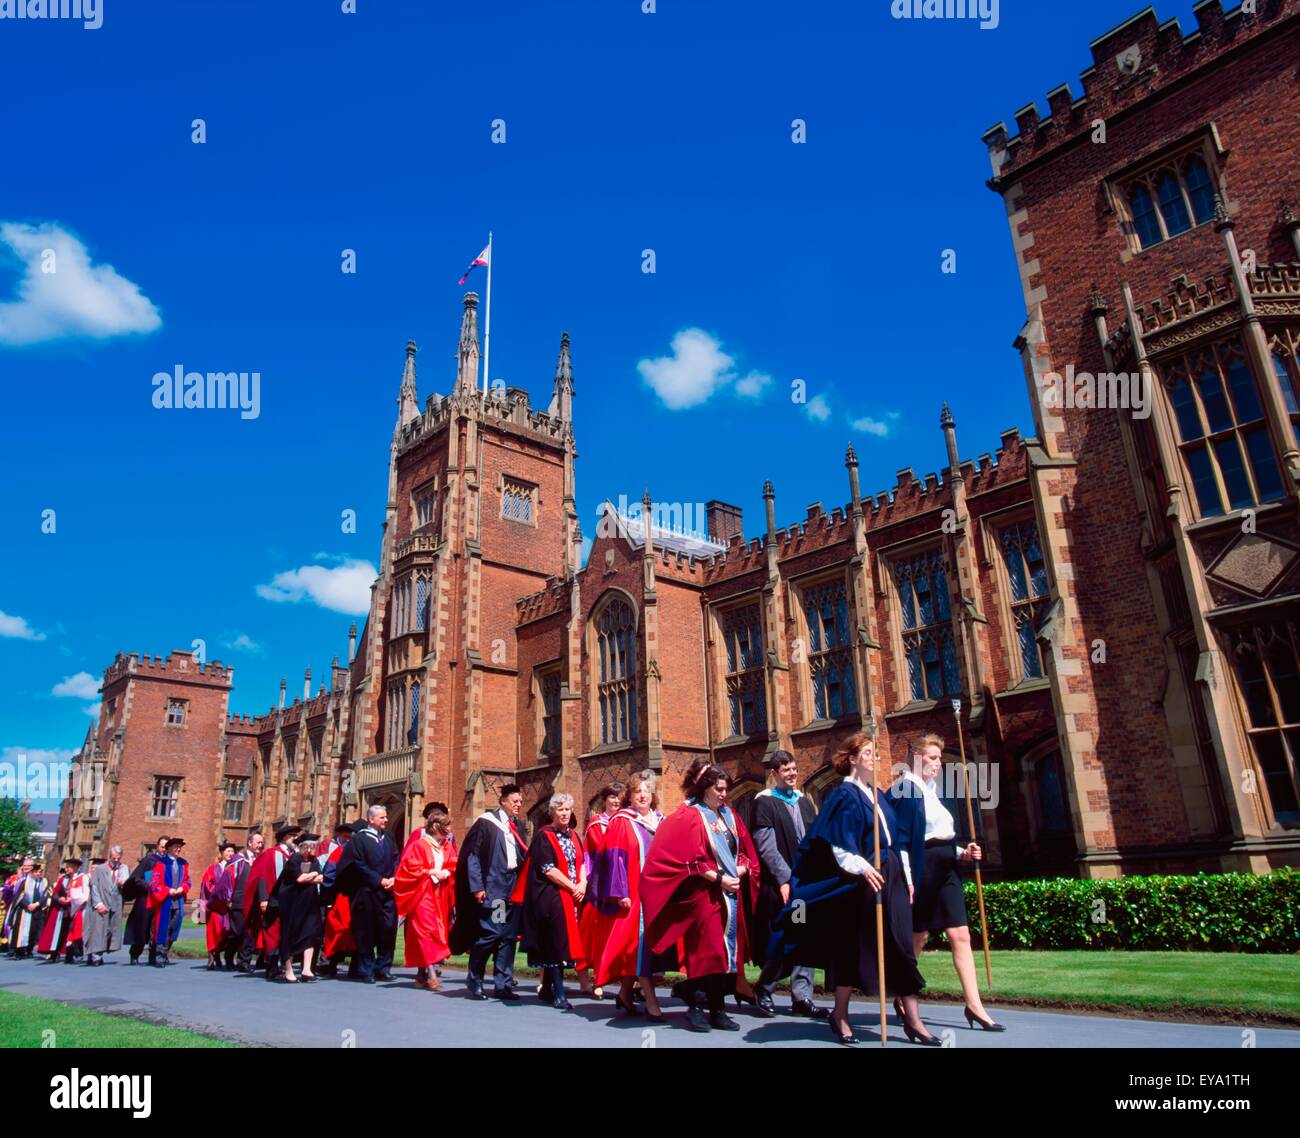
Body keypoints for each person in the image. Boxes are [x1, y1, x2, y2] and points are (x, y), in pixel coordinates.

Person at [766, 732, 935, 1046]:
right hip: (863, 882)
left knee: (900, 946)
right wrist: (863, 867)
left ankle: (913, 1019)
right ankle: (840, 1014)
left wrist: (909, 879)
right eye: (868, 753)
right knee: (854, 949)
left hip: (893, 879)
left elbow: (897, 842)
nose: (875, 757)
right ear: (853, 758)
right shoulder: (843, 795)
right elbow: (838, 844)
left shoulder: (879, 796)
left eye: (875, 753)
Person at [894, 732, 1004, 1032]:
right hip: (923, 869)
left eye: (940, 759)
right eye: (932, 758)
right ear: (917, 759)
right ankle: (905, 993)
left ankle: (974, 1004)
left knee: (961, 935)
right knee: (919, 937)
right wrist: (907, 877)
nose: (938, 764)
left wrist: (964, 851)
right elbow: (903, 841)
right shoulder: (906, 789)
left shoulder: (932, 791)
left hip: (948, 867)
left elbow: (942, 836)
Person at [640, 760, 760, 1033]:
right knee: (706, 954)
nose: (723, 794)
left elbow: (745, 852)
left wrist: (738, 871)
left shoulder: (730, 816)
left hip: (731, 896)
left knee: (729, 955)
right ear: (705, 788)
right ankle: (695, 1007)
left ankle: (719, 1008)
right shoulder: (690, 816)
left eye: (725, 789)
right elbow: (683, 859)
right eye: (718, 789)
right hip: (705, 897)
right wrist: (717, 877)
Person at [751, 751, 828, 1019]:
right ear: (774, 774)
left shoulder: (804, 802)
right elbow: (766, 847)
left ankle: (802, 997)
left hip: (806, 883)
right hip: (783, 886)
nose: (792, 774)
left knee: (805, 936)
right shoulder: (765, 803)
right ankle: (765, 988)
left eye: (794, 769)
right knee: (786, 937)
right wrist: (786, 880)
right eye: (786, 770)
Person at [592, 769, 672, 1020]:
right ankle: (651, 1001)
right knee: (639, 947)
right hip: (633, 896)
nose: (643, 795)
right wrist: (620, 892)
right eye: (637, 791)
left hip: (657, 895)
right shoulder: (622, 821)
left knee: (638, 948)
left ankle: (626, 994)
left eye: (647, 791)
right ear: (630, 795)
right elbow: (615, 858)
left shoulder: (661, 820)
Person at [451, 783, 529, 1000]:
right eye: (515, 802)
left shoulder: (518, 826)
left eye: (520, 802)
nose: (518, 805)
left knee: (508, 936)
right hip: (496, 888)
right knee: (492, 933)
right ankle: (474, 978)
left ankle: (503, 984)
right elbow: (472, 856)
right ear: (503, 801)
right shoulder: (487, 823)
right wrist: (477, 886)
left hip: (512, 887)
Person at [519, 793, 588, 1010]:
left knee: (559, 940)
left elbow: (582, 861)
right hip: (551, 896)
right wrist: (572, 886)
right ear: (552, 813)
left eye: (567, 809)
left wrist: (583, 883)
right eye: (560, 810)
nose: (565, 813)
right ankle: (559, 993)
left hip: (573, 895)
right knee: (557, 942)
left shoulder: (574, 836)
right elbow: (548, 869)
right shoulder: (544, 836)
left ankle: (547, 988)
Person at [393, 808, 457, 991]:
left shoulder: (446, 846)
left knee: (438, 930)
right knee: (426, 931)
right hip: (423, 894)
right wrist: (429, 872)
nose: (449, 830)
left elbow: (453, 863)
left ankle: (421, 975)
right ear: (437, 827)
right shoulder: (419, 846)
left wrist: (447, 871)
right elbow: (408, 869)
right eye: (446, 826)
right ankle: (431, 974)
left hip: (440, 894)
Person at [338, 805, 398, 983]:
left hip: (387, 892)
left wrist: (394, 877)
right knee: (366, 931)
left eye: (386, 817)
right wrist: (378, 880)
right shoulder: (359, 840)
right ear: (371, 819)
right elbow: (357, 864)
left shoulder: (388, 837)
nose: (386, 820)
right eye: (382, 818)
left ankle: (384, 967)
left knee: (388, 929)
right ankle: (367, 969)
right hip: (366, 891)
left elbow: (396, 857)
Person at [576, 782, 623, 998]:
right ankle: (592, 981)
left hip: (621, 887)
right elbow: (604, 851)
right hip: (599, 887)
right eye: (612, 797)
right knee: (592, 936)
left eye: (619, 798)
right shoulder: (597, 824)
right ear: (605, 801)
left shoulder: (625, 821)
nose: (616, 801)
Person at [244, 826, 298, 981]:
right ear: (283, 837)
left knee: (286, 934)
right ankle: (272, 967)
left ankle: (281, 965)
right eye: (292, 835)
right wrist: (263, 899)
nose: (295, 838)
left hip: (290, 902)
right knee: (272, 932)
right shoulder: (270, 855)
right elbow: (260, 877)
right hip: (273, 901)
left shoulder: (294, 855)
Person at [275, 833, 325, 983]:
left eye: (313, 846)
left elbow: (320, 878)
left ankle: (307, 969)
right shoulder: (294, 859)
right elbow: (299, 878)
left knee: (310, 934)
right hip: (292, 903)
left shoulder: (313, 860)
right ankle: (289, 970)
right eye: (309, 846)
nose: (311, 849)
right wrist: (312, 875)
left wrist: (311, 875)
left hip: (310, 902)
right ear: (303, 846)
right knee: (291, 935)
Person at [145, 837, 191, 966]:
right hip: (164, 901)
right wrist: (167, 890)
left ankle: (164, 952)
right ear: (169, 848)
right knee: (160, 928)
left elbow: (188, 880)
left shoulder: (183, 863)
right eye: (176, 846)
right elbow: (154, 883)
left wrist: (183, 888)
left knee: (173, 928)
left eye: (180, 846)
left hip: (178, 901)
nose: (178, 848)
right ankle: (157, 955)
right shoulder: (161, 863)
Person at [123, 835, 168, 964]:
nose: (164, 849)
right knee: (142, 926)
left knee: (157, 928)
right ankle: (135, 954)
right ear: (157, 846)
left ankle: (155, 955)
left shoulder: (169, 863)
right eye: (162, 846)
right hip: (146, 898)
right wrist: (150, 886)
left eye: (166, 847)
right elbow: (137, 879)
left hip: (161, 900)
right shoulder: (148, 860)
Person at [319, 823, 355, 977]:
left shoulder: (347, 850)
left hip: (352, 898)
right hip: (341, 897)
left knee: (353, 932)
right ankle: (329, 963)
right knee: (336, 929)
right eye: (345, 836)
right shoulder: (338, 851)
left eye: (350, 837)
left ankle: (353, 967)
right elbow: (329, 875)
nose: (348, 839)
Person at [225, 831, 264, 972]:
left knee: (251, 933)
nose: (260, 845)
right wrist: (228, 898)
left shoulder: (261, 860)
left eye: (261, 842)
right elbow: (228, 880)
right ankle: (229, 955)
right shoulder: (238, 860)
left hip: (254, 902)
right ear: (249, 843)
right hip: (239, 901)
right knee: (238, 932)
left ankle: (244, 961)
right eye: (258, 842)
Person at [83, 847, 129, 965]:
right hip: (101, 903)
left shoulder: (123, 868)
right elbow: (94, 886)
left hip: (115, 904)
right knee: (98, 930)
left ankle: (100, 952)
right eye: (113, 857)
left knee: (110, 930)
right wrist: (98, 903)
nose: (116, 860)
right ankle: (95, 956)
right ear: (110, 856)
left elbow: (127, 884)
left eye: (118, 858)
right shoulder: (100, 869)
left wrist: (124, 884)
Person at [198, 842, 238, 970]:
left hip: (231, 906)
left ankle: (226, 955)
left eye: (232, 851)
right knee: (215, 930)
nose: (230, 854)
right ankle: (213, 954)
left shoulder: (235, 867)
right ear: (221, 853)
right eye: (227, 851)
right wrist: (221, 895)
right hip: (216, 906)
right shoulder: (213, 868)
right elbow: (207, 885)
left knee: (229, 931)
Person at [37, 859, 81, 963]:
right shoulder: (63, 879)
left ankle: (70, 955)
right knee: (58, 931)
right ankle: (54, 952)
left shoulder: (80, 879)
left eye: (69, 866)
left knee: (71, 932)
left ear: (75, 867)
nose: (66, 869)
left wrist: (72, 899)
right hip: (61, 909)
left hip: (74, 909)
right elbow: (55, 893)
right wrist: (59, 899)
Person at [6, 861, 47, 959]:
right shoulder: (25, 881)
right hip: (24, 910)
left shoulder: (44, 882)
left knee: (33, 930)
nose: (38, 874)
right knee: (22, 931)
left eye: (40, 872)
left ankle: (29, 950)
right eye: (36, 872)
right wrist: (28, 905)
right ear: (32, 873)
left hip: (37, 910)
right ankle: (19, 951)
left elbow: (45, 895)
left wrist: (36, 904)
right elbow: (19, 896)